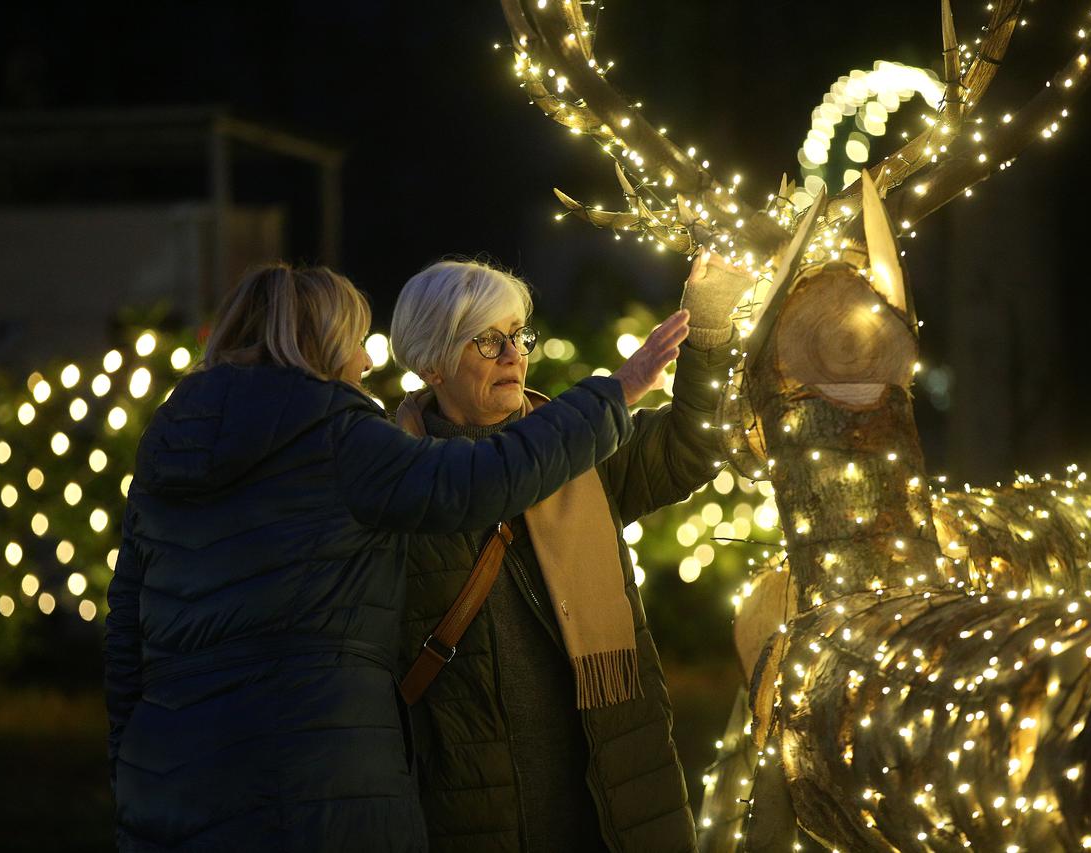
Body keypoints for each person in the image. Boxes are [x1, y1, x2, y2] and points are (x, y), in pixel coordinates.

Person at [102, 262, 688, 852]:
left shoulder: (169, 441)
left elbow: (125, 630)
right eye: (356, 341)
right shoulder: (338, 434)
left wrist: (134, 766)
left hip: (170, 782)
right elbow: (479, 479)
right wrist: (615, 391)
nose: (366, 361)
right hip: (322, 780)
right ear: (323, 346)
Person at [390, 256, 739, 853]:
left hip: (613, 792)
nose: (513, 355)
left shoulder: (583, 442)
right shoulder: (397, 483)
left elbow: (691, 446)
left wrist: (706, 329)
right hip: (474, 808)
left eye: (518, 335)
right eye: (487, 340)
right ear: (430, 363)